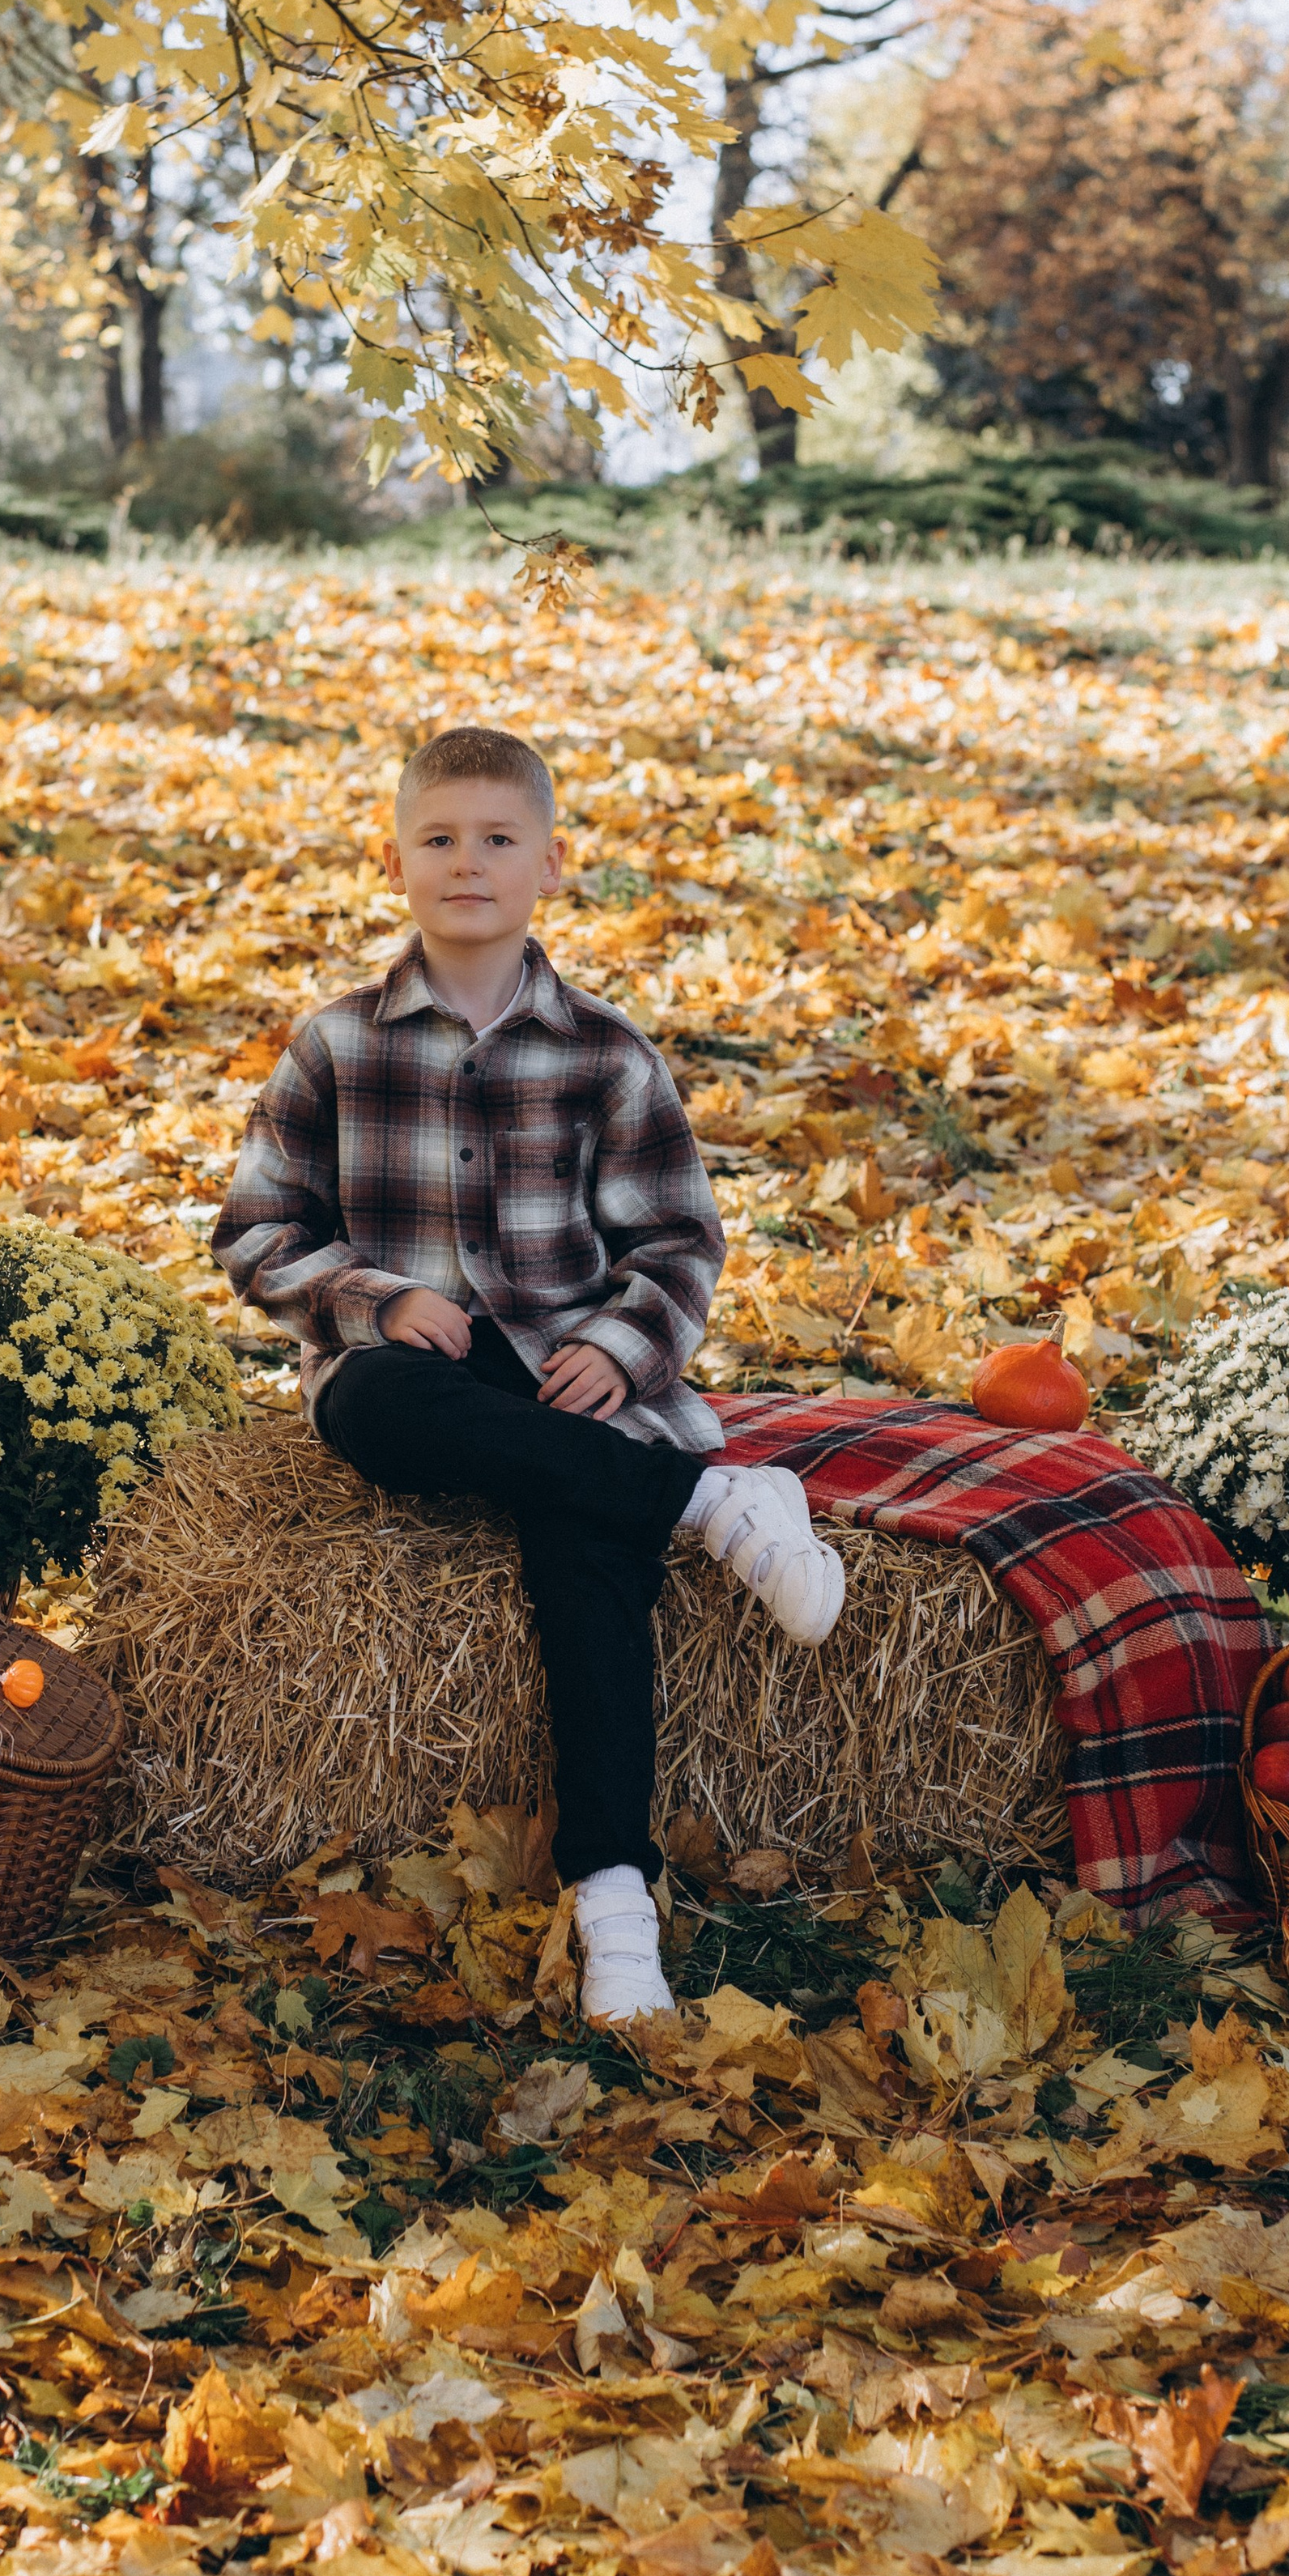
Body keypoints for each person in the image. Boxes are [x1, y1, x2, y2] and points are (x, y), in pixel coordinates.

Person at [212, 724, 844, 2021]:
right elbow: (256, 1231)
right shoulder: (336, 1044)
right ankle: (706, 1503)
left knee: (582, 1547)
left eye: (499, 839)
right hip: (411, 1376)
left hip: (566, 1370)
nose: (469, 863)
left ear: (549, 864)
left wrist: (618, 1347)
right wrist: (375, 1298)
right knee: (377, 1405)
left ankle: (612, 1890)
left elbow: (679, 1242)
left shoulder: (607, 1053)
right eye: (440, 839)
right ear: (395, 862)